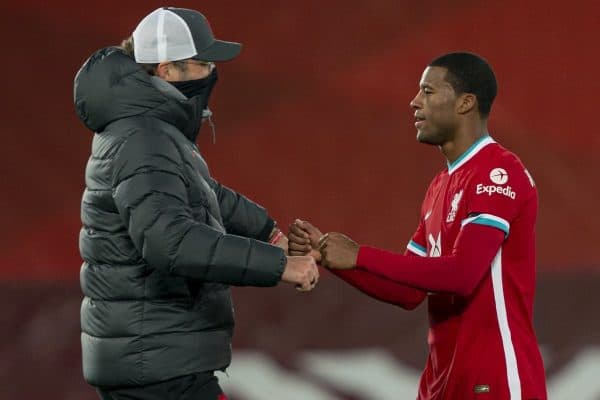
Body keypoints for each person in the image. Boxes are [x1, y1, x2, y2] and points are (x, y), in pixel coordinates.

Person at [74, 7, 318, 400]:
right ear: (168, 70)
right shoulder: (143, 139)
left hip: (155, 356)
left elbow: (204, 191)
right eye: (202, 63)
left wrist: (267, 231)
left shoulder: (148, 128)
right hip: (157, 366)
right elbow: (171, 242)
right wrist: (280, 266)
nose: (211, 74)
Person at [289, 52, 547, 399]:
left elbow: (463, 276)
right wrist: (329, 256)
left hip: (495, 379)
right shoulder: (440, 186)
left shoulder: (498, 171)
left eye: (427, 91)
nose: (414, 102)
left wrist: (359, 255)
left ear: (465, 102)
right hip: (442, 382)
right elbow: (408, 293)